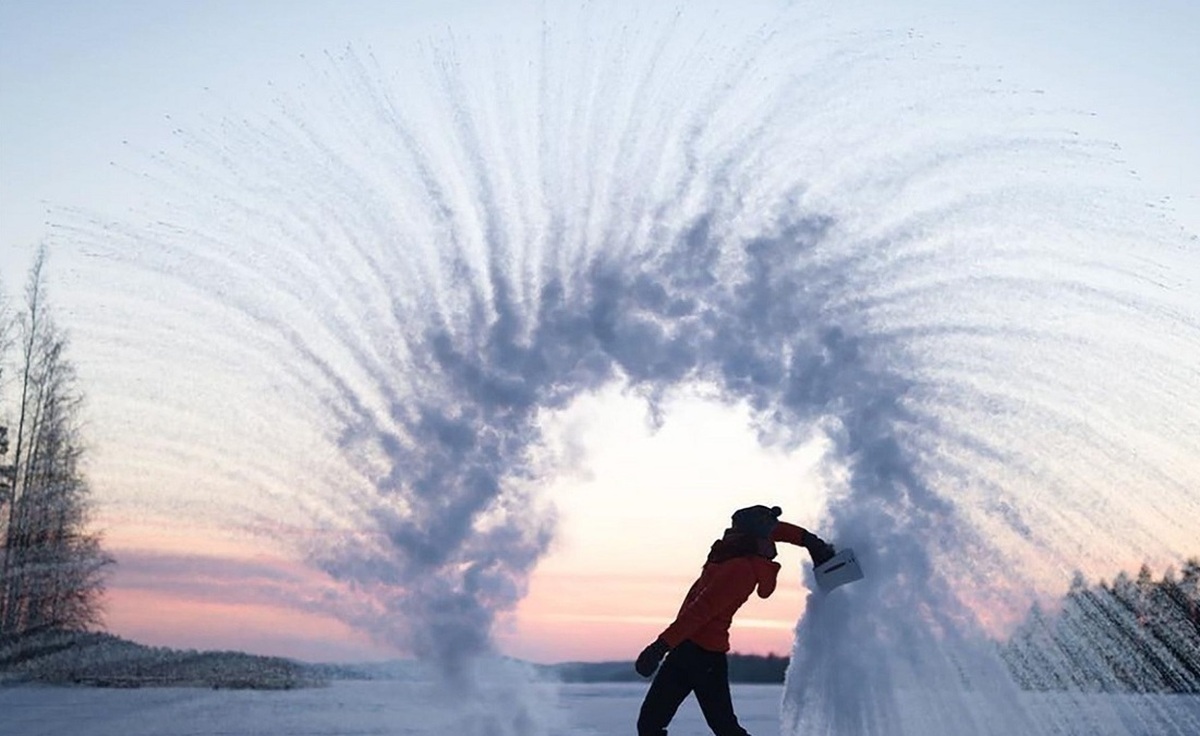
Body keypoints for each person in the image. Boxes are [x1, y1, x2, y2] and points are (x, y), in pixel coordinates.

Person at [633, 504, 835, 736]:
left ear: (746, 532)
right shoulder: (737, 548)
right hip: (687, 649)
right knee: (651, 725)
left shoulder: (741, 568)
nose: (731, 530)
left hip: (702, 656)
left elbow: (699, 612)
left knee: (724, 728)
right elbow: (779, 530)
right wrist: (810, 541)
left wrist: (659, 647)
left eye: (736, 527)